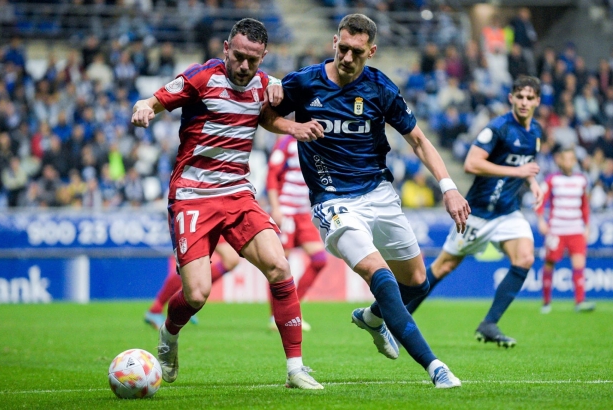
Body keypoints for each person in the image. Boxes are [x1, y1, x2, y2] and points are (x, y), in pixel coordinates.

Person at [261, 14, 470, 389]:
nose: (346, 57)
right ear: (334, 42)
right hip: (333, 202)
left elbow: (419, 140)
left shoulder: (379, 88)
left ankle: (373, 318)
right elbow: (267, 114)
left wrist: (449, 186)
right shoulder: (306, 82)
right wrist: (293, 126)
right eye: (342, 48)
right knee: (382, 276)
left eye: (356, 52)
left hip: (378, 193)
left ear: (371, 51)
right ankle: (436, 367)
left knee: (418, 282)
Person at [131, 18, 324, 390]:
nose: (244, 66)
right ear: (225, 48)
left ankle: (296, 369)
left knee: (279, 267)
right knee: (197, 294)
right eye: (238, 57)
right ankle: (169, 335)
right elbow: (154, 100)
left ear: (263, 56)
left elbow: (266, 118)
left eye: (253, 60)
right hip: (192, 195)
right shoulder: (201, 78)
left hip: (237, 193)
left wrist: (295, 128)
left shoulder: (265, 85)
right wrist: (144, 108)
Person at [405, 75, 545, 348]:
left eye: (530, 98)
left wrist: (532, 182)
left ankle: (489, 323)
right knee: (443, 266)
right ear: (511, 98)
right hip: (478, 212)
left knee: (525, 257)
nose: (525, 102)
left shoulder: (535, 132)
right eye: (520, 96)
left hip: (507, 211)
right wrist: (518, 172)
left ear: (538, 101)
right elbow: (471, 163)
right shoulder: (498, 128)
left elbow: (524, 164)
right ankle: (399, 318)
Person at [266, 134, 328, 331]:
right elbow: (271, 174)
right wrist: (275, 208)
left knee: (320, 259)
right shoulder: (286, 141)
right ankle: (276, 317)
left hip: (305, 213)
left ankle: (293, 310)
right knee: (281, 265)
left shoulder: (319, 141)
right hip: (286, 211)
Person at [536, 148, 595, 313]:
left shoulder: (581, 180)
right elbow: (540, 200)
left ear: (575, 161)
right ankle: (546, 302)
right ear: (559, 161)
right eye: (565, 159)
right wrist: (541, 220)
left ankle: (580, 302)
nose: (568, 162)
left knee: (579, 265)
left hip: (576, 229)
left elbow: (585, 206)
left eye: (571, 159)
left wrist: (587, 227)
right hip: (556, 229)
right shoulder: (552, 180)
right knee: (549, 263)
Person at [144, 238, 241, 330]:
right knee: (190, 263)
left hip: (213, 221)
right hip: (196, 222)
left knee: (230, 260)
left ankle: (187, 299)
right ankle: (156, 309)